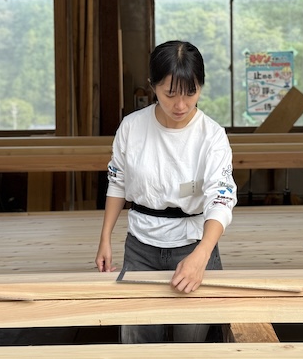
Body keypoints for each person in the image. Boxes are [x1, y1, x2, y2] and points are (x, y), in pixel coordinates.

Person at [95, 40, 237, 344]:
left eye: (191, 93)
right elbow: (117, 182)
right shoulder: (131, 127)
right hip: (140, 248)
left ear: (201, 86)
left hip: (193, 245)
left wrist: (202, 255)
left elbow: (221, 198)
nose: (181, 105)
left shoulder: (211, 136)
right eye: (170, 94)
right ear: (152, 86)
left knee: (193, 342)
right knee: (138, 340)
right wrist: (105, 237)